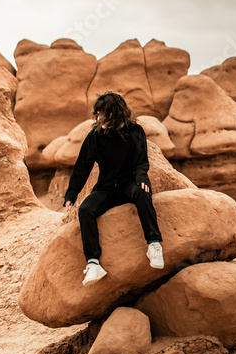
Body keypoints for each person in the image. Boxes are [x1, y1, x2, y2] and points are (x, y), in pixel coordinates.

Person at [64, 91, 164, 287]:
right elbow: (82, 166)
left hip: (130, 184)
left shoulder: (135, 131)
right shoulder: (96, 135)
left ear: (116, 112)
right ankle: (93, 263)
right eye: (98, 113)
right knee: (86, 210)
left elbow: (141, 161)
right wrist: (71, 194)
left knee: (143, 192)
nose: (99, 118)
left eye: (103, 113)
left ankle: (153, 245)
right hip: (107, 188)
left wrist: (142, 177)